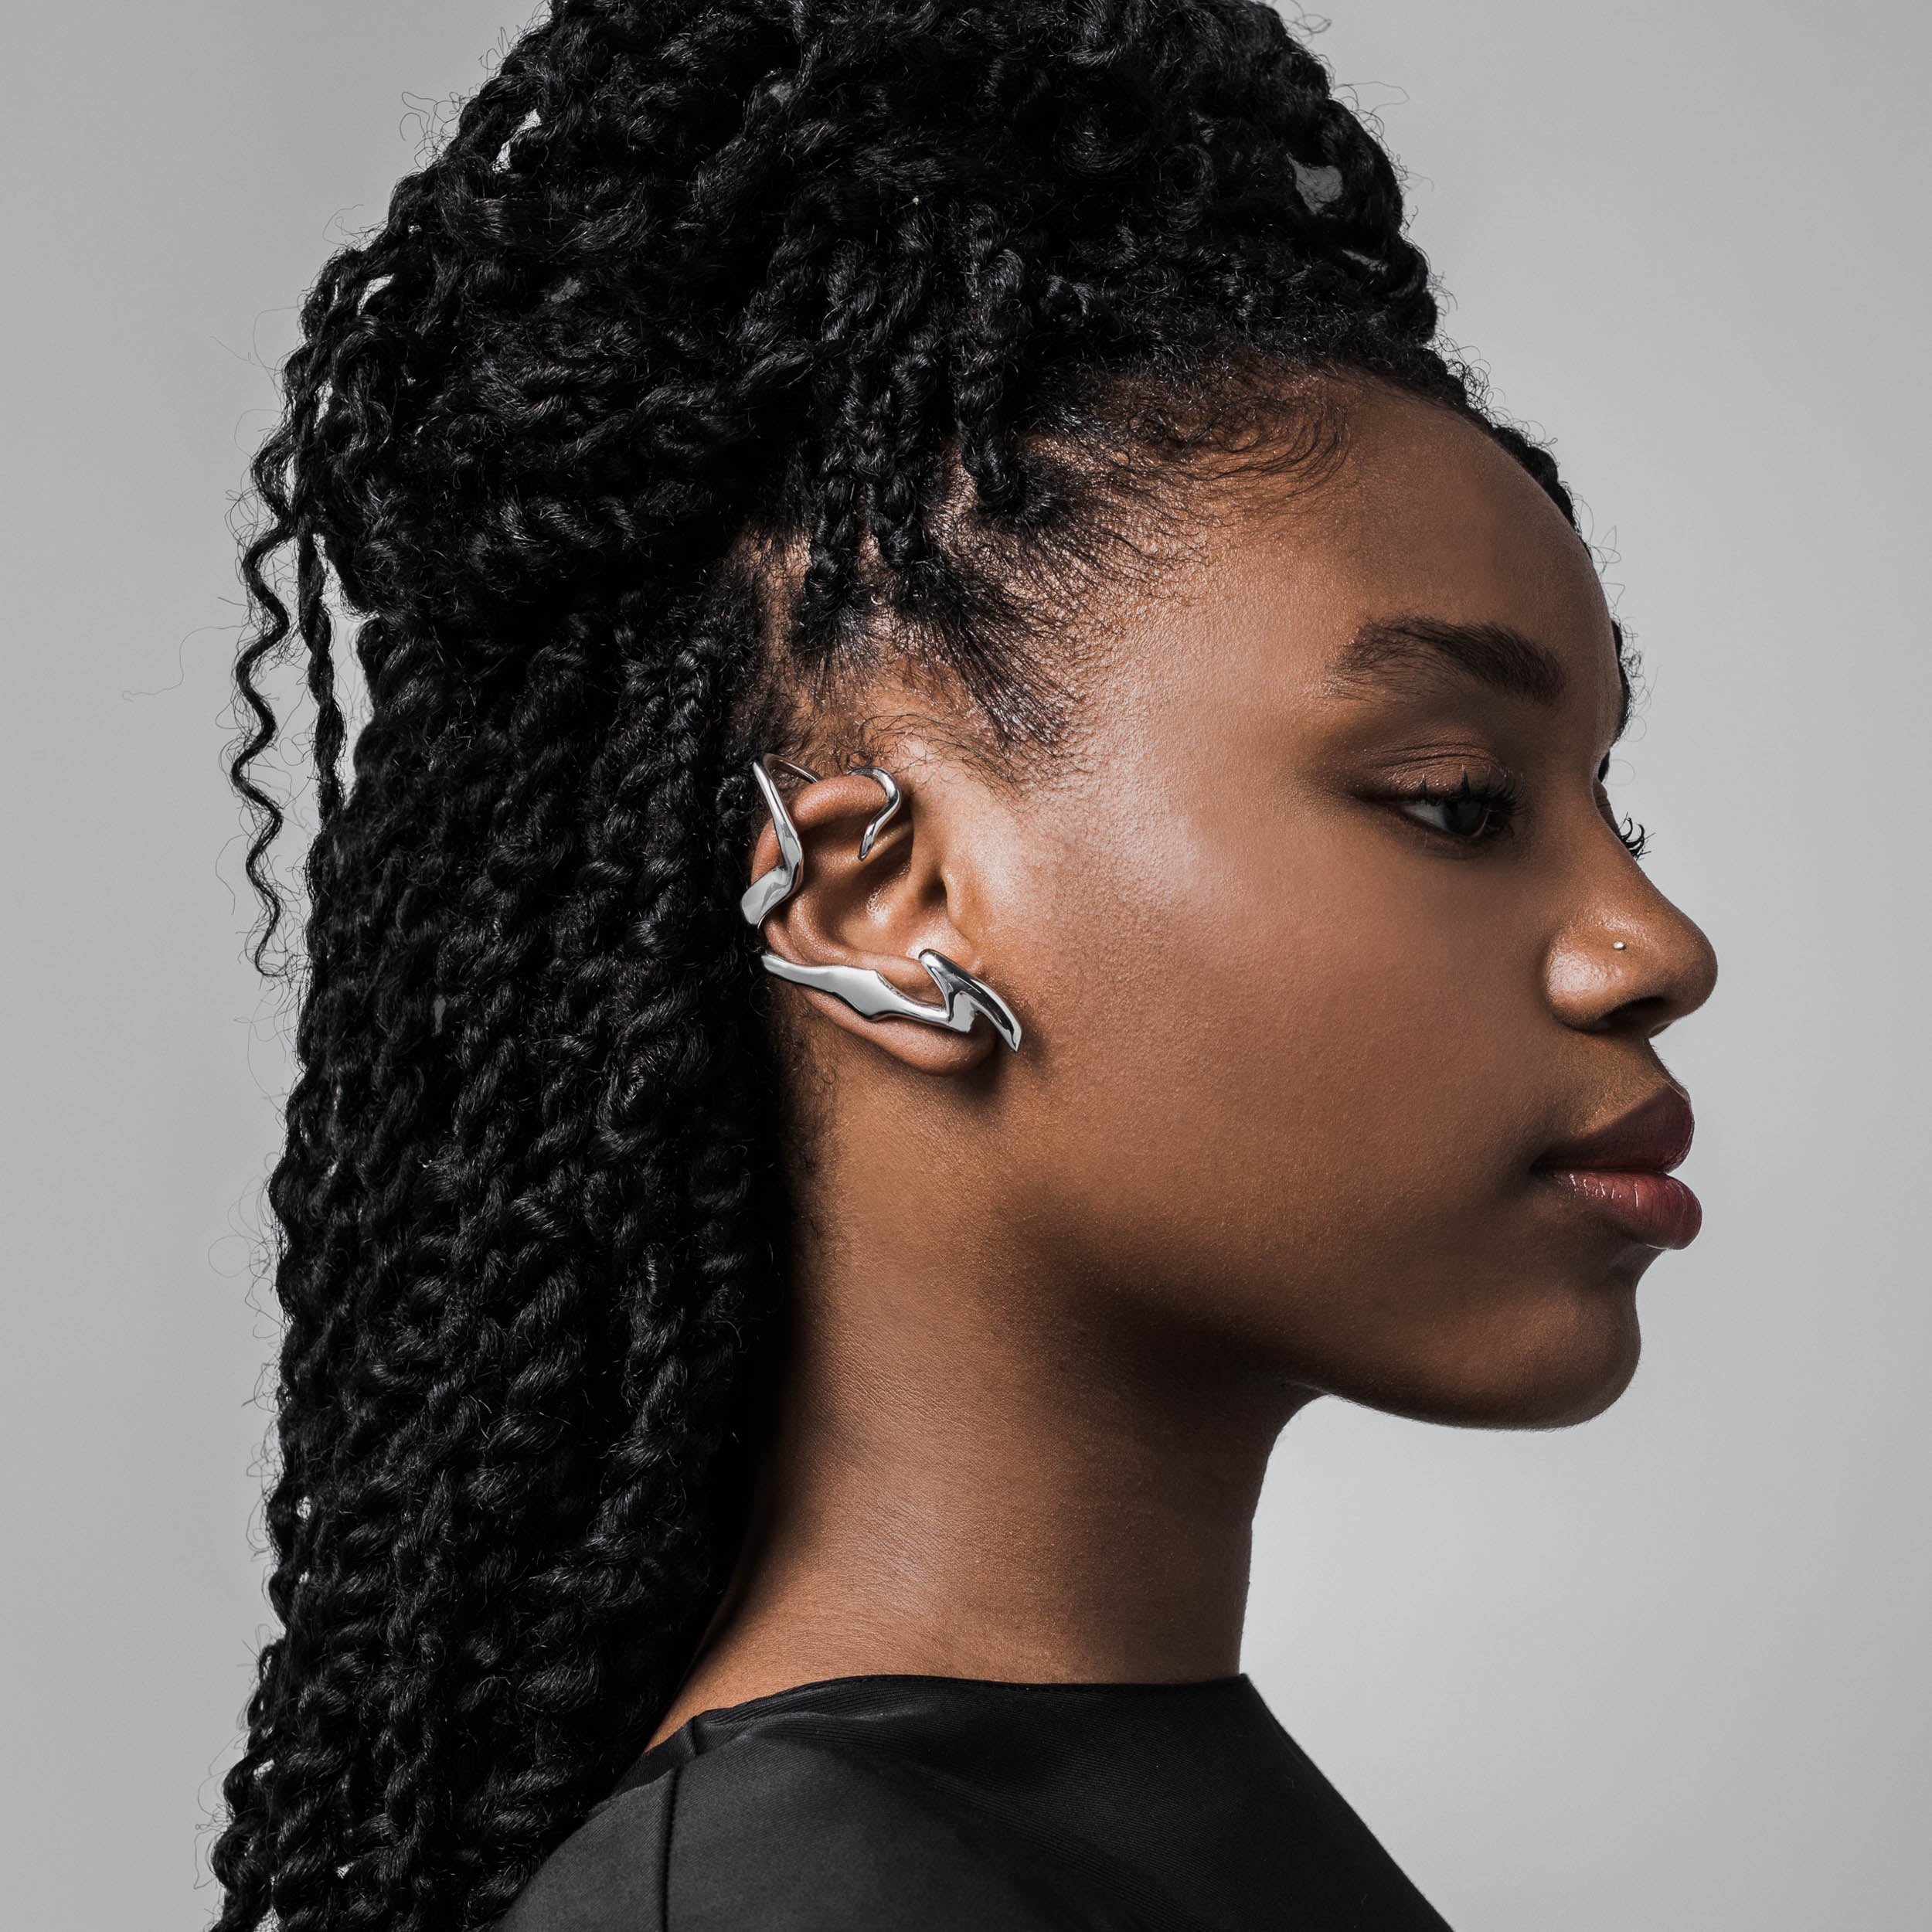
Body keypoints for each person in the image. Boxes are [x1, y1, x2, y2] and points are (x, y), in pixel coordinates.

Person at [210, 2, 1718, 1927]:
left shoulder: (1091, 1815)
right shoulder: (791, 1898)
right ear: (874, 903)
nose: (1651, 946)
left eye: (1608, 804)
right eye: (1454, 799)